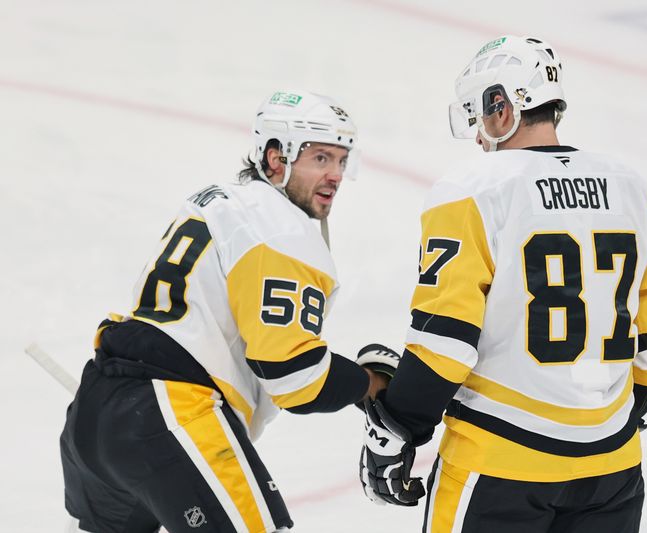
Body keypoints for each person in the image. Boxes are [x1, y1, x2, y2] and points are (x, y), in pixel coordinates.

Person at [359, 36, 647, 533]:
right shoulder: (631, 187)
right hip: (613, 473)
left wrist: (399, 428)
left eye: (479, 114)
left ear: (501, 106)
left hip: (500, 466)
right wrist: (614, 418)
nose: (477, 135)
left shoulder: (472, 190)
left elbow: (445, 342)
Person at [60, 90, 398, 533]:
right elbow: (295, 379)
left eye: (340, 160)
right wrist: (370, 383)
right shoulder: (279, 230)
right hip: (171, 415)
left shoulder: (217, 202)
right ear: (276, 159)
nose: (334, 174)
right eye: (320, 158)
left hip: (96, 409)